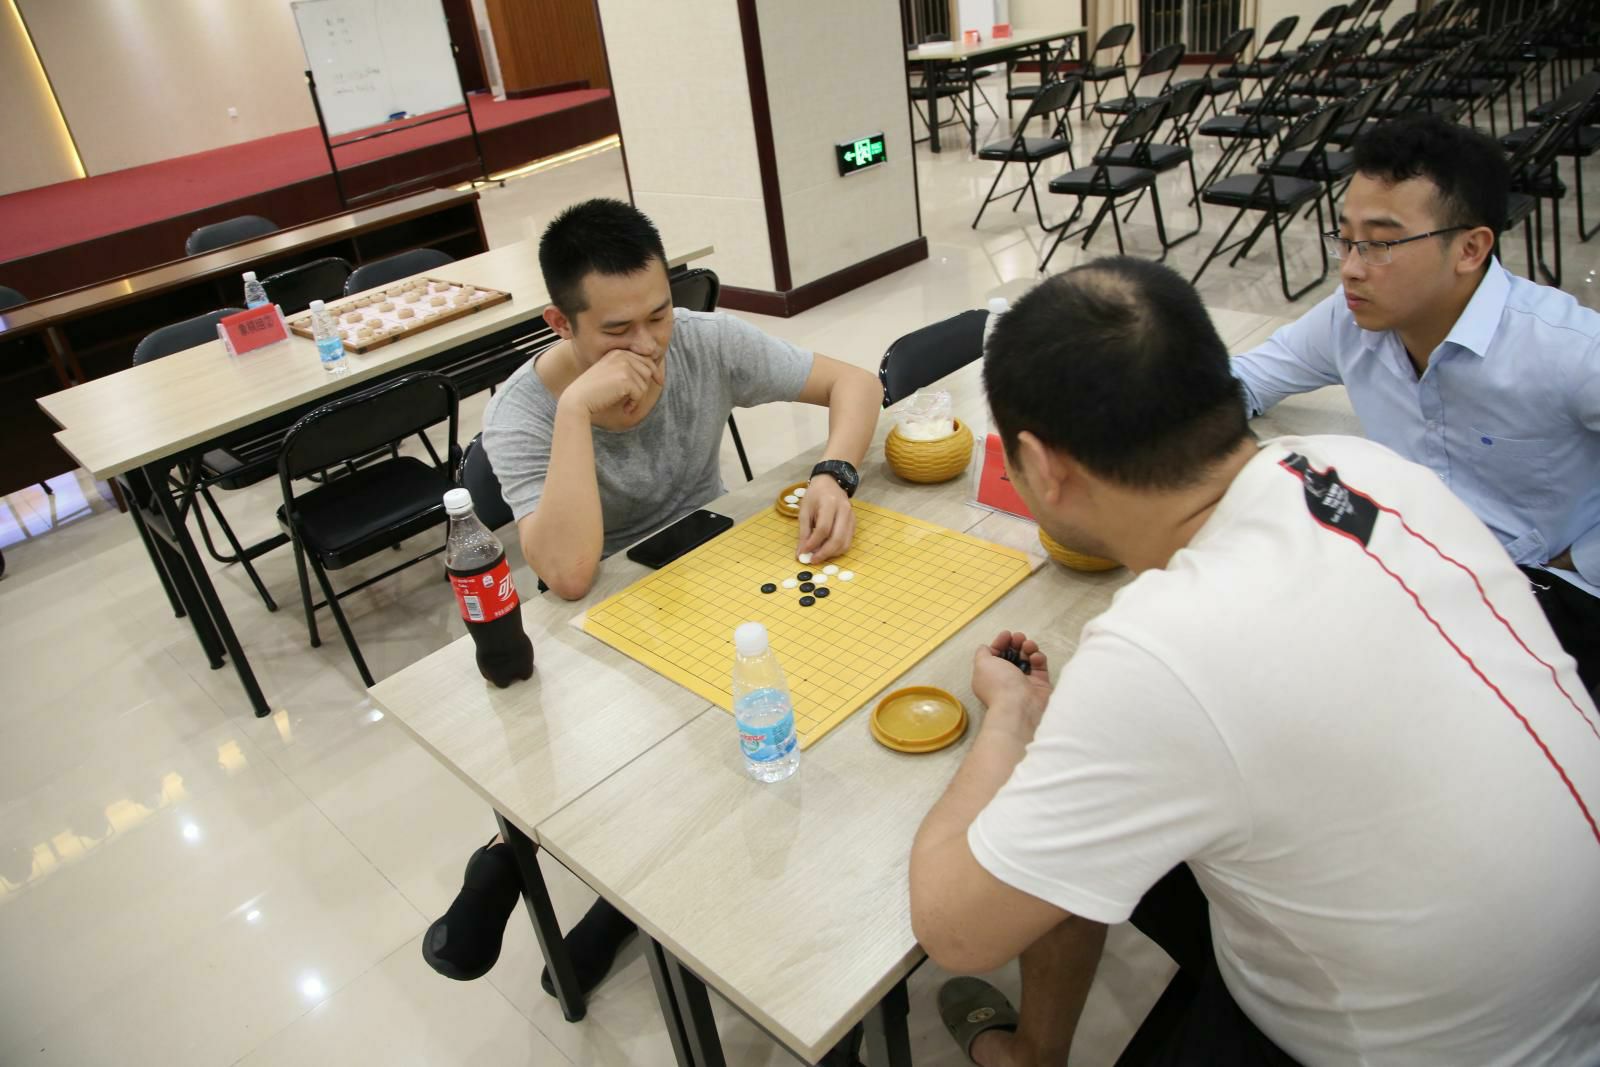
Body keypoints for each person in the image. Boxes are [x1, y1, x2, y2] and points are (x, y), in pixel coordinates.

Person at [911, 257, 1600, 1066]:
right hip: (1568, 982)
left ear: (1044, 465)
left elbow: (955, 930)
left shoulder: (1158, 648)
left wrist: (1009, 716)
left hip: (1440, 1047)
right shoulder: (1369, 468)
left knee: (1048, 851)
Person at [423, 199, 883, 996]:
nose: (647, 345)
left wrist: (833, 472)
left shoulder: (700, 340)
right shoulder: (522, 412)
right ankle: (520, 857)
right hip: (592, 622)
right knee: (643, 761)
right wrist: (577, 408)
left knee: (751, 734)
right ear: (559, 324)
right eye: (616, 330)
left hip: (707, 573)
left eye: (659, 314)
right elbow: (569, 574)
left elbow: (856, 382)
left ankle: (603, 899)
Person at [1230, 114, 1600, 695]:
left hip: (1540, 592)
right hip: (1418, 568)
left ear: (1470, 249)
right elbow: (1249, 378)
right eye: (1346, 239)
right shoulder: (1353, 318)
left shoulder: (1566, 350)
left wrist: (1582, 559)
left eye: (1380, 243)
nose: (1351, 268)